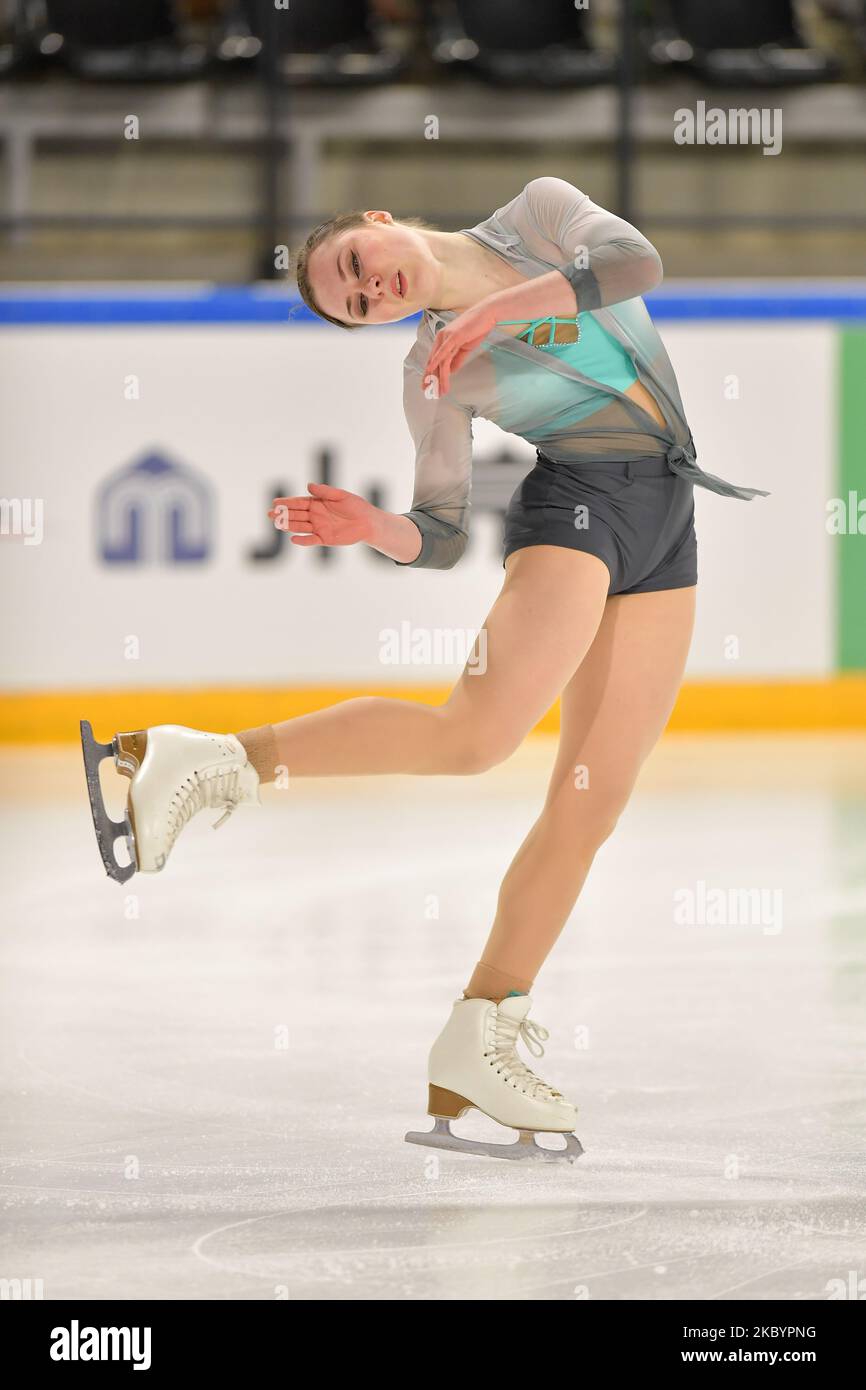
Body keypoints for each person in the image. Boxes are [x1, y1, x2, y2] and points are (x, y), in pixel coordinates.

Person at [82, 177, 768, 1162]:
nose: (375, 287)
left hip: (668, 516)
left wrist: (492, 308)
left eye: (359, 267)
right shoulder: (431, 371)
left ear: (377, 221)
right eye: (358, 304)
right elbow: (441, 534)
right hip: (575, 509)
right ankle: (194, 763)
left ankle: (480, 1032)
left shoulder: (536, 214)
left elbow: (630, 265)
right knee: (473, 737)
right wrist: (378, 528)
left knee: (590, 802)